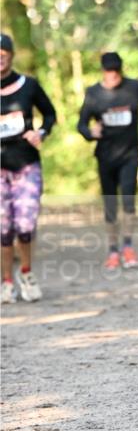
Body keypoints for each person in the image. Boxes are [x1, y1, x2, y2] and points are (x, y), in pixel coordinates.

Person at [77, 51, 138, 270]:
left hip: (130, 154)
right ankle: (113, 250)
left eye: (116, 71)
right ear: (103, 71)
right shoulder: (93, 93)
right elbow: (81, 124)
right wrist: (90, 132)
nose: (113, 75)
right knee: (111, 205)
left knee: (129, 200)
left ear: (121, 69)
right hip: (105, 156)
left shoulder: (134, 87)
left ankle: (128, 247)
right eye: (109, 71)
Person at [0, 33, 57, 303]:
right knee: (3, 229)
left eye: (3, 51)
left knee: (24, 224)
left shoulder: (28, 85)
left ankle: (26, 272)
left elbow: (50, 113)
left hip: (26, 165)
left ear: (11, 54)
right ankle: (7, 283)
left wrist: (41, 132)